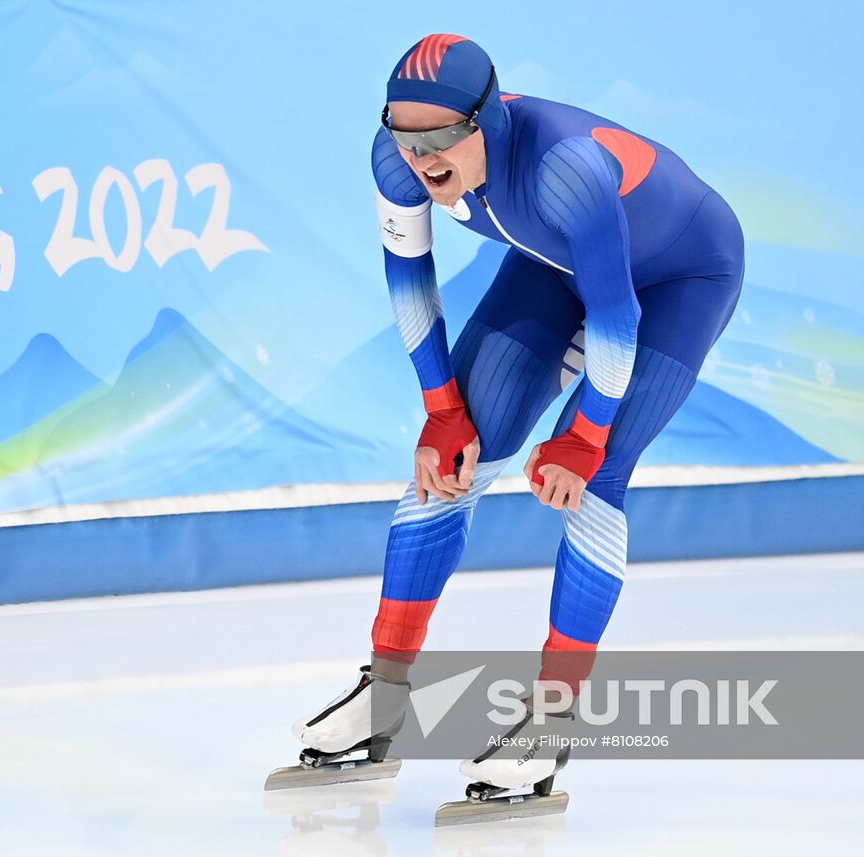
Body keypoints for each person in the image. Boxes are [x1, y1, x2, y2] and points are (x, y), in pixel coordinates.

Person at [291, 33, 744, 799]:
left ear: (488, 122)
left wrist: (586, 433)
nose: (422, 157)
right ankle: (386, 692)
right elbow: (410, 283)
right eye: (406, 138)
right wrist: (441, 409)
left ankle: (550, 723)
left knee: (596, 483)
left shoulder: (565, 168)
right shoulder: (391, 158)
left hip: (676, 281)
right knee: (444, 470)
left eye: (441, 138)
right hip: (555, 266)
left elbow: (619, 315)